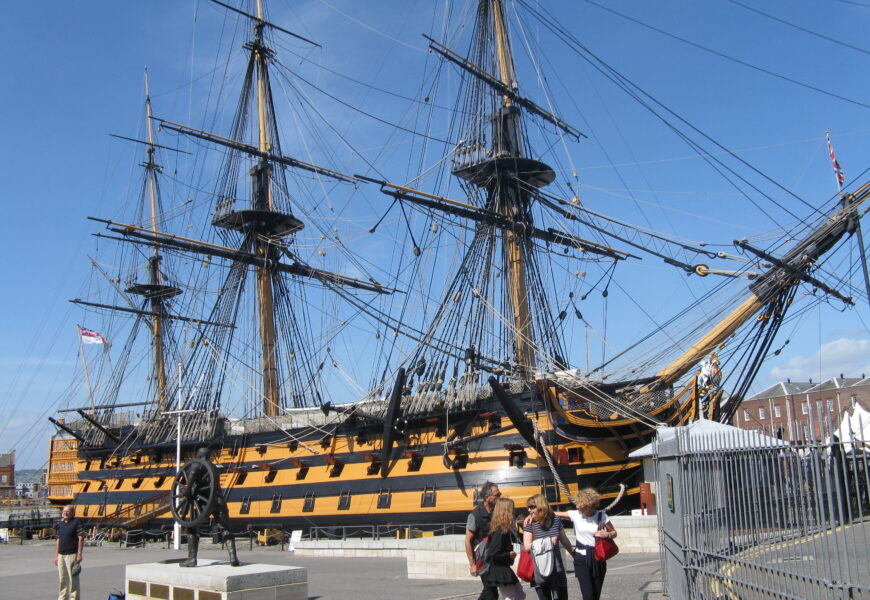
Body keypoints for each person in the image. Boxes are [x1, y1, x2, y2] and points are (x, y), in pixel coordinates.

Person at [179, 447, 239, 567]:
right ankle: (233, 557)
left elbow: (193, 474)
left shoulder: (198, 465)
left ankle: (192, 559)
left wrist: (187, 490)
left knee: (192, 528)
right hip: (219, 501)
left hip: (204, 502)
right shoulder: (214, 468)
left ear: (199, 456)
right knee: (226, 528)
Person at [556, 488, 617, 600]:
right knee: (588, 595)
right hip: (581, 558)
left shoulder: (601, 516)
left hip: (598, 557)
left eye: (580, 504)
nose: (577, 506)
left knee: (595, 594)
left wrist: (606, 534)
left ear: (589, 505)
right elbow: (552, 513)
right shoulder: (576, 515)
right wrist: (531, 516)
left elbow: (614, 533)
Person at [522, 493, 573, 600]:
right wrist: (549, 542)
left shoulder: (555, 519)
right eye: (528, 507)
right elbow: (527, 546)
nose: (529, 510)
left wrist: (574, 554)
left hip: (557, 568)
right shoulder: (530, 524)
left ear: (541, 506)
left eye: (532, 507)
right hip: (540, 569)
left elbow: (564, 540)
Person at [483, 497, 525, 600]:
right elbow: (493, 555)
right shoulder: (500, 531)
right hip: (499, 568)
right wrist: (508, 555)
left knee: (519, 594)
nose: (514, 511)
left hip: (502, 567)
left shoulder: (504, 529)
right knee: (510, 597)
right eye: (512, 509)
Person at [465, 481, 501, 600]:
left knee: (489, 591)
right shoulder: (475, 515)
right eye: (497, 495)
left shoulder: (498, 511)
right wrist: (472, 564)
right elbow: (468, 541)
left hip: (495, 558)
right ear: (487, 497)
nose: (499, 497)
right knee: (491, 593)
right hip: (483, 559)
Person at [55, 504, 84, 600]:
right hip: (61, 555)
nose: (65, 513)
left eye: (67, 511)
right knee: (62, 579)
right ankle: (62, 597)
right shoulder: (60, 524)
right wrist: (56, 556)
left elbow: (81, 538)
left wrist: (79, 554)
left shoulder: (76, 523)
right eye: (64, 511)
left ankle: (74, 598)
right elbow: (58, 540)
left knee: (73, 580)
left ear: (72, 513)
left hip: (72, 554)